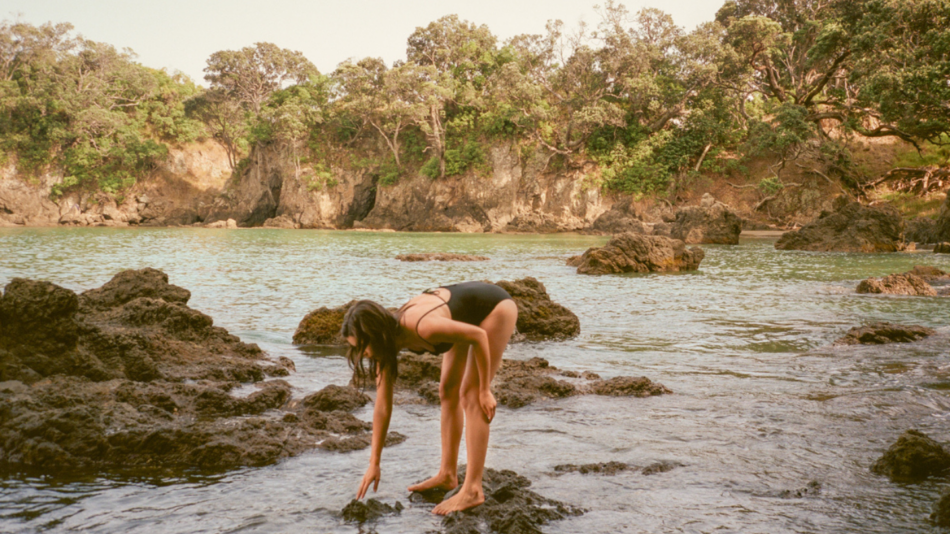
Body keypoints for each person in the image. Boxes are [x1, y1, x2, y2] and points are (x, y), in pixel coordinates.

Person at [342, 282, 518, 515]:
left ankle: (473, 489)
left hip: (494, 308)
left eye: (363, 348)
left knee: (470, 395)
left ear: (376, 334)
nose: (362, 354)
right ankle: (447, 475)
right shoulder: (385, 347)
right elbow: (383, 408)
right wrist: (374, 463)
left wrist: (485, 389)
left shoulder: (423, 327)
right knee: (447, 390)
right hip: (463, 314)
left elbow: (478, 335)